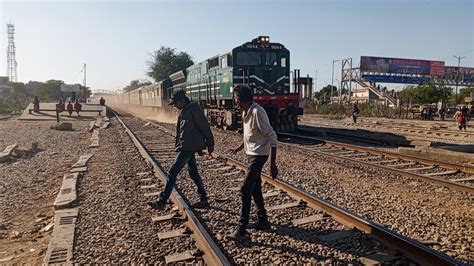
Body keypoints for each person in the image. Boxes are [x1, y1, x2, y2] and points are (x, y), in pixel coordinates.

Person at [148, 90, 214, 209]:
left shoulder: (193, 109)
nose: (175, 106)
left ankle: (162, 201)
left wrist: (210, 143)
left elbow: (204, 126)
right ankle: (203, 199)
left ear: (182, 101)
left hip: (188, 147)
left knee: (172, 172)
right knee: (193, 173)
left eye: (176, 103)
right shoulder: (185, 110)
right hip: (187, 146)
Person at [228, 85, 278, 240]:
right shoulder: (245, 112)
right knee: (255, 189)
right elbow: (250, 134)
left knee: (245, 190)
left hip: (259, 156)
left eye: (235, 98)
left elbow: (272, 136)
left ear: (241, 99)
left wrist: (273, 164)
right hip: (251, 154)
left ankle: (241, 231)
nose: (234, 101)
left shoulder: (257, 112)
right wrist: (239, 147)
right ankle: (263, 221)